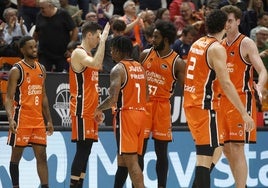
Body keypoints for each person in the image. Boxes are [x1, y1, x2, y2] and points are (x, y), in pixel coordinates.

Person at [183, 9, 256, 188]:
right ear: (225, 25)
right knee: (205, 157)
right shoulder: (216, 48)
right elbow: (227, 84)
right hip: (204, 106)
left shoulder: (197, 43)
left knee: (214, 149)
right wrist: (244, 113)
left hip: (191, 103)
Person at [220, 5, 268, 188]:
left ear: (238, 21)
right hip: (222, 100)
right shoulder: (220, 45)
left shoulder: (246, 43)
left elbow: (262, 70)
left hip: (241, 99)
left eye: (231, 21)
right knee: (226, 149)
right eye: (225, 21)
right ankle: (243, 185)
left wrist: (260, 85)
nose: (227, 25)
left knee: (237, 148)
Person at [94, 35, 147, 188]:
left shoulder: (118, 69)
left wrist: (98, 108)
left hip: (127, 116)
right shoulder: (140, 67)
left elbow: (112, 99)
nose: (111, 53)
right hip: (141, 114)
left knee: (131, 162)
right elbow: (147, 95)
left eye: (112, 50)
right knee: (123, 160)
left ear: (118, 50)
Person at [140, 20, 186, 188]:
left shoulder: (178, 62)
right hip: (144, 105)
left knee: (161, 153)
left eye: (156, 37)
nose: (152, 39)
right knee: (139, 152)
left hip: (162, 107)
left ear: (166, 39)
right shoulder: (145, 54)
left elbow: (188, 88)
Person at [4, 36, 54, 188]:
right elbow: (8, 98)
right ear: (22, 50)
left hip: (38, 120)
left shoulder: (41, 68)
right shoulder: (16, 70)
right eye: (31, 47)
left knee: (42, 157)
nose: (34, 49)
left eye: (35, 46)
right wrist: (10, 118)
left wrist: (49, 120)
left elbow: (43, 95)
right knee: (16, 158)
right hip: (21, 119)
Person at [69, 21, 110, 188]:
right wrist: (104, 41)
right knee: (82, 150)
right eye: (98, 36)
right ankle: (74, 186)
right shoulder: (79, 53)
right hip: (81, 109)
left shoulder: (89, 55)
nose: (99, 39)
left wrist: (98, 109)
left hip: (91, 111)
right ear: (89, 35)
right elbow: (97, 64)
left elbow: (92, 87)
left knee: (87, 151)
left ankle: (80, 184)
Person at [34, 0, 78, 72]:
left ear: (50, 6)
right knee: (42, 75)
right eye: (40, 8)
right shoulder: (40, 15)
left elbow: (75, 29)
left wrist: (71, 47)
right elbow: (36, 33)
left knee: (61, 78)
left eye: (42, 8)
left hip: (62, 53)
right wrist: (34, 47)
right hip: (45, 53)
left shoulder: (63, 14)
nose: (41, 10)